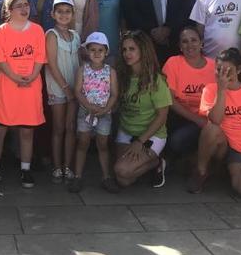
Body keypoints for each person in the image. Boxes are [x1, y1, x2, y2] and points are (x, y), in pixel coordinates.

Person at [191, 48, 241, 197]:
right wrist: (221, 91)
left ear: (239, 70)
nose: (222, 75)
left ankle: (225, 171)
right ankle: (201, 172)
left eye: (227, 71)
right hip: (219, 143)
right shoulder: (210, 89)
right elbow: (215, 120)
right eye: (218, 70)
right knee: (212, 129)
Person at [0, 0, 46, 188]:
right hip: (7, 85)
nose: (24, 8)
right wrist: (15, 78)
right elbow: (1, 60)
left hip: (30, 85)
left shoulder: (37, 30)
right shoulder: (1, 31)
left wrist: (31, 76)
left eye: (26, 4)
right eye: (19, 5)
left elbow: (40, 57)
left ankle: (25, 168)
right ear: (9, 10)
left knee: (27, 132)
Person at [113, 30, 172, 188]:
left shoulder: (156, 80)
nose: (127, 54)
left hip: (150, 135)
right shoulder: (122, 75)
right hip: (126, 131)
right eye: (124, 49)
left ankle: (157, 161)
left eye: (132, 49)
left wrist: (140, 142)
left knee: (122, 170)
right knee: (123, 179)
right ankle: (150, 164)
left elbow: (162, 116)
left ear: (143, 50)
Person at [68, 32, 118, 193]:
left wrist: (105, 109)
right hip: (85, 112)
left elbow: (114, 94)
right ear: (87, 52)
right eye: (93, 50)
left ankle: (106, 177)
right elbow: (78, 91)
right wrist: (89, 107)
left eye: (100, 50)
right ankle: (77, 176)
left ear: (106, 52)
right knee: (83, 143)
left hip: (104, 114)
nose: (96, 53)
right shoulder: (83, 70)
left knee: (103, 145)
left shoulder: (111, 71)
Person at [161, 26, 215, 174]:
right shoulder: (173, 63)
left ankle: (194, 160)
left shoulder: (214, 66)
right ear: (179, 46)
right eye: (184, 41)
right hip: (180, 116)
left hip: (207, 119)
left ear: (201, 43)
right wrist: (197, 120)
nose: (190, 45)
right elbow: (169, 99)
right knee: (176, 141)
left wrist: (205, 121)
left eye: (194, 40)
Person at [44, 0, 81, 184]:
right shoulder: (51, 34)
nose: (64, 15)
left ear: (73, 14)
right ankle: (57, 166)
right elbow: (51, 64)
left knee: (70, 127)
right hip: (58, 88)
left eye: (67, 11)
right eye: (60, 11)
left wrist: (77, 88)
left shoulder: (75, 36)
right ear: (53, 14)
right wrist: (66, 88)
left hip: (74, 89)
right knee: (58, 128)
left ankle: (68, 166)